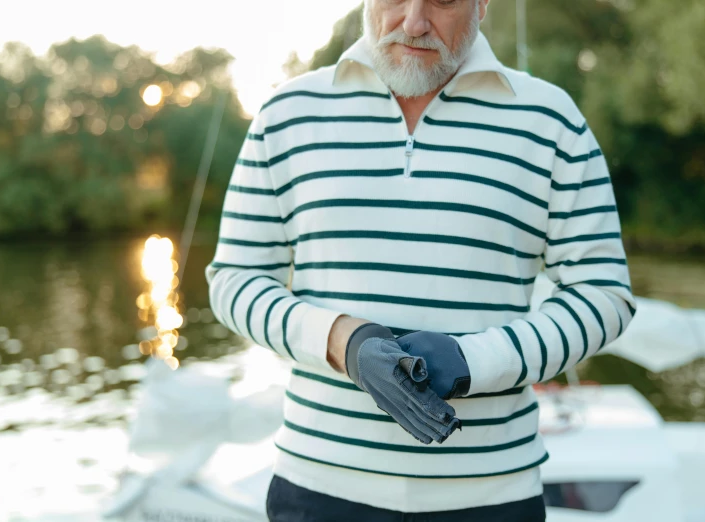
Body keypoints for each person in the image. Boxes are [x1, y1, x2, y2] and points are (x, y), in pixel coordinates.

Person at [206, 0, 636, 520]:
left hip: (490, 498)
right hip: (318, 489)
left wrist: (473, 362)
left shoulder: (551, 120)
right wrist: (345, 341)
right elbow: (235, 279)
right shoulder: (287, 113)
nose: (413, 21)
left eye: (443, 0)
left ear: (482, 4)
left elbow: (603, 294)